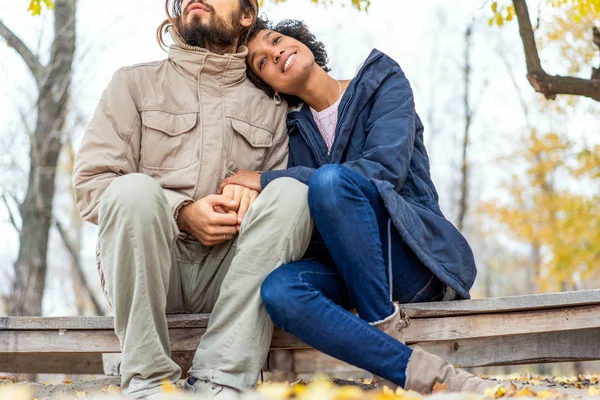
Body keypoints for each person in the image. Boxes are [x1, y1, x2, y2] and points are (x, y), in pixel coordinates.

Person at [220, 18, 501, 394]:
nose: (276, 52)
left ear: (299, 40)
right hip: (347, 269)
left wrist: (266, 180)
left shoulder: (381, 81)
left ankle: (385, 346)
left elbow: (383, 171)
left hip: (413, 260)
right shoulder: (292, 134)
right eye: (262, 62)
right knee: (279, 290)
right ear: (269, 87)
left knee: (331, 181)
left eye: (276, 40)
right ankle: (415, 371)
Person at [73, 4, 314, 399]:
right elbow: (91, 185)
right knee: (133, 191)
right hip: (149, 273)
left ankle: (221, 381)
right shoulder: (133, 84)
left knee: (292, 192)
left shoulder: (271, 107)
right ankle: (148, 384)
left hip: (230, 278)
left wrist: (254, 192)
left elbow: (277, 215)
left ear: (246, 15)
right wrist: (181, 213)